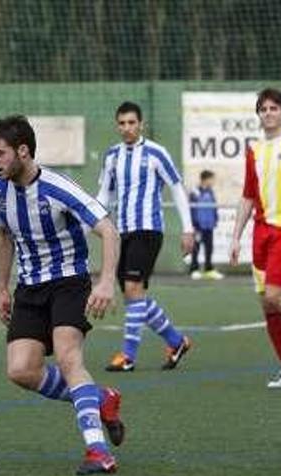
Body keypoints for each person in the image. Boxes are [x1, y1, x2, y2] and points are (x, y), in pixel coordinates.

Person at [0, 115, 124, 475]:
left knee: (68, 358)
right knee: (20, 370)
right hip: (29, 288)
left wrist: (107, 281)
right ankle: (101, 399)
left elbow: (108, 230)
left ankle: (98, 451)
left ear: (24, 151)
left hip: (68, 283)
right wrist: (1, 287)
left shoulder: (59, 188)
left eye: (0, 153)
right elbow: (3, 235)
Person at [96, 101, 194, 372]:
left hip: (149, 229)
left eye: (131, 122)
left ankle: (128, 356)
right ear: (117, 125)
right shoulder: (112, 156)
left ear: (141, 124)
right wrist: (91, 221)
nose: (127, 128)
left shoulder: (155, 153)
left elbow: (176, 188)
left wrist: (188, 228)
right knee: (133, 296)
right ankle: (176, 342)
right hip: (120, 232)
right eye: (122, 123)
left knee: (132, 288)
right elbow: (105, 193)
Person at [229, 88, 281, 388]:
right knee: (267, 305)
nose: (268, 113)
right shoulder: (254, 150)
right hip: (261, 233)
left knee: (276, 296)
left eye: (273, 108)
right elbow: (248, 196)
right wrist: (236, 237)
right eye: (263, 109)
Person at [188, 170, 223, 280]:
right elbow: (192, 209)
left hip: (209, 225)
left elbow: (213, 206)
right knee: (196, 248)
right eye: (212, 179)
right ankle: (194, 269)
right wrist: (193, 225)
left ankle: (209, 269)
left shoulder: (210, 191)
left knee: (209, 248)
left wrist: (215, 219)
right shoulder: (195, 192)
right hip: (198, 225)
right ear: (205, 179)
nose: (213, 181)